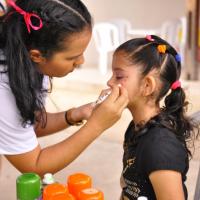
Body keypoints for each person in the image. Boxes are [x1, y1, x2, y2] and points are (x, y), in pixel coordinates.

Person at [0, 0, 129, 177]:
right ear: (37, 55)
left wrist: (76, 114)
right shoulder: (3, 91)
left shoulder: (30, 62)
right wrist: (96, 125)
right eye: (73, 57)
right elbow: (34, 165)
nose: (81, 61)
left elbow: (27, 122)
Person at [107, 35, 199, 200]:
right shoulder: (136, 128)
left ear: (147, 85)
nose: (109, 82)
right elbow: (129, 187)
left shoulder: (160, 146)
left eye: (118, 76)